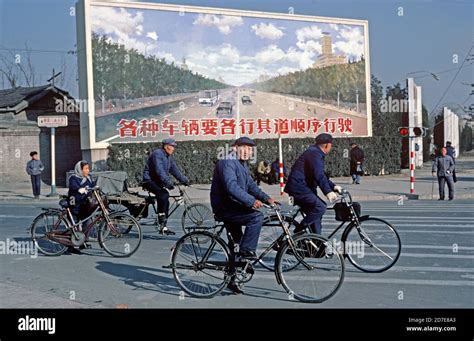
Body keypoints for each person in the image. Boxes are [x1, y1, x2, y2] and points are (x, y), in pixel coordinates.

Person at [210, 137, 277, 294]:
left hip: (233, 205)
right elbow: (231, 186)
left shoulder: (241, 164)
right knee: (256, 217)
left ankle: (231, 278)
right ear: (235, 147)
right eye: (244, 148)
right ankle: (247, 252)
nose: (248, 151)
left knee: (235, 244)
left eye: (250, 149)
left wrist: (266, 198)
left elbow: (251, 186)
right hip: (225, 207)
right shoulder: (227, 162)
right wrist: (251, 201)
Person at [284, 133, 343, 235]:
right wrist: (328, 192)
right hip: (299, 188)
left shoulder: (315, 152)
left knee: (316, 215)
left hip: (303, 188)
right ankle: (299, 230)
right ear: (327, 145)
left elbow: (320, 175)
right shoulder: (314, 153)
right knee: (320, 207)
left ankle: (316, 244)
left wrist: (333, 186)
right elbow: (318, 174)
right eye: (331, 145)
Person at [142, 138, 189, 235]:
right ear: (166, 146)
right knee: (163, 194)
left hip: (157, 181)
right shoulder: (157, 154)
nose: (173, 149)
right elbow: (160, 171)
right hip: (149, 181)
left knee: (166, 200)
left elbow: (175, 170)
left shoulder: (168, 157)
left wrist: (184, 180)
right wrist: (168, 182)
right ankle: (160, 216)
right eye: (172, 146)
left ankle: (163, 227)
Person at [67, 160, 95, 254]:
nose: (88, 170)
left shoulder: (88, 178)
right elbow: (73, 187)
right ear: (80, 169)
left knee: (88, 222)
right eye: (86, 168)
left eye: (88, 168)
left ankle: (83, 241)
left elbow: (92, 186)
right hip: (74, 205)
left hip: (84, 205)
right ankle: (70, 246)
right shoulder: (73, 178)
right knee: (73, 226)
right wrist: (80, 189)